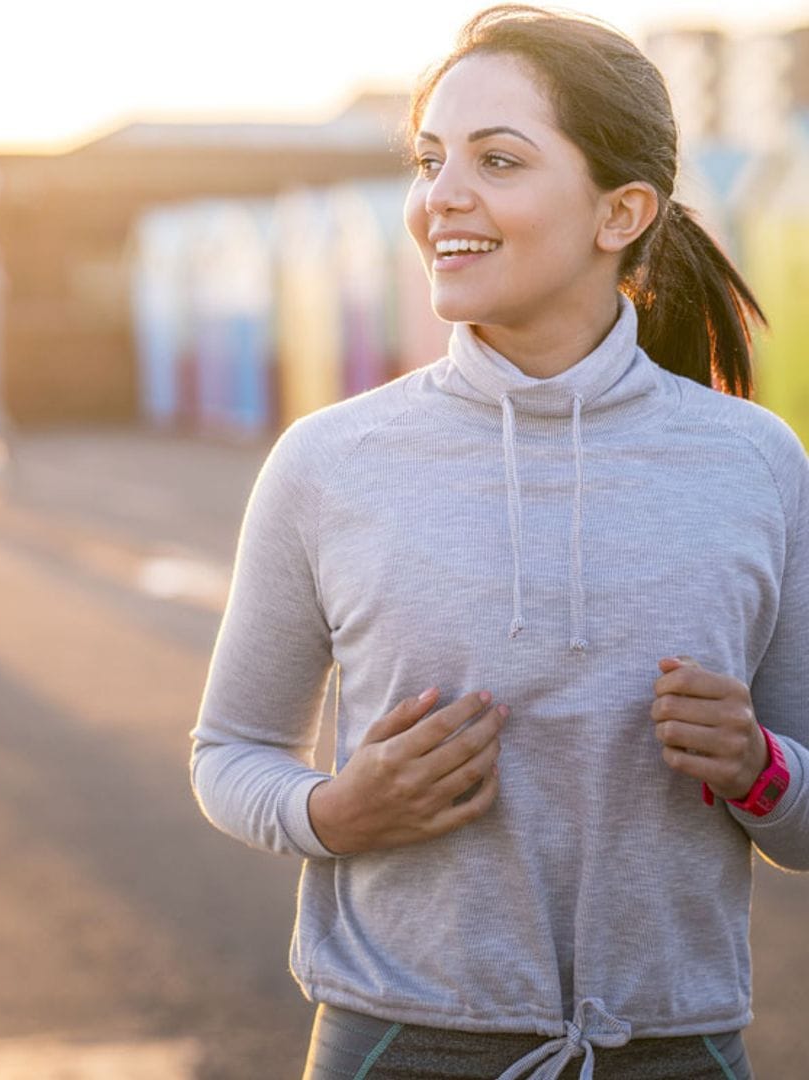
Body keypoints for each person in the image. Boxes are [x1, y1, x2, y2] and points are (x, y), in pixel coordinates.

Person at [191, 5, 809, 1078]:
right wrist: (334, 811)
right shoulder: (328, 462)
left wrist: (762, 772)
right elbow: (229, 752)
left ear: (622, 210)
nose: (441, 199)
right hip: (393, 1042)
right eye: (430, 161)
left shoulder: (755, 464)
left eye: (498, 160)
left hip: (681, 1049)